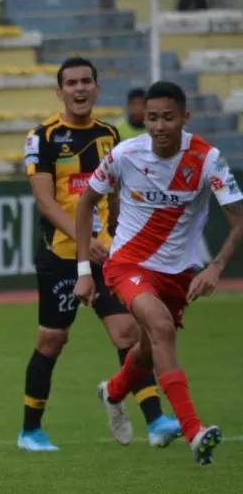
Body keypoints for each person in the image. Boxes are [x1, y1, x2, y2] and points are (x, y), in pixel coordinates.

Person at [74, 80, 242, 465]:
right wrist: (84, 269)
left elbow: (238, 220)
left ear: (185, 117)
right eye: (152, 118)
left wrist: (216, 267)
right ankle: (194, 433)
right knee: (161, 327)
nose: (159, 126)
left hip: (178, 273)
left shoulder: (206, 159)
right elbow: (86, 205)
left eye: (168, 117)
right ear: (143, 119)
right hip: (128, 265)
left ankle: (113, 393)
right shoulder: (125, 154)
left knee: (150, 349)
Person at [18, 57, 181, 452]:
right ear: (60, 92)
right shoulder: (41, 138)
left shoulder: (112, 137)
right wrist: (81, 238)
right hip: (60, 256)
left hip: (108, 256)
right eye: (71, 82)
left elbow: (118, 198)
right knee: (52, 340)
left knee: (128, 332)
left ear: (96, 88)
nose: (79, 88)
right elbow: (44, 201)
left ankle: (155, 418)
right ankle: (30, 430)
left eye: (86, 81)